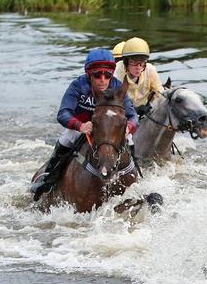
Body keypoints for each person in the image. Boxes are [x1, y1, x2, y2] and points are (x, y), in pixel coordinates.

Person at [30, 48, 138, 200]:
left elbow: (133, 115)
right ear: (89, 74)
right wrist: (80, 126)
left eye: (107, 75)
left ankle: (137, 172)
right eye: (97, 75)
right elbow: (63, 113)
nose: (102, 79)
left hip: (107, 128)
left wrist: (129, 127)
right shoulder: (78, 85)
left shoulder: (117, 87)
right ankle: (49, 177)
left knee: (130, 140)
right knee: (67, 138)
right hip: (82, 126)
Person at [113, 37, 164, 117]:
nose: (138, 67)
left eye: (142, 63)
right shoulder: (116, 73)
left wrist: (151, 107)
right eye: (133, 62)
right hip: (122, 114)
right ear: (126, 63)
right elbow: (112, 102)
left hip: (146, 112)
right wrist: (134, 110)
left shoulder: (150, 70)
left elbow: (160, 94)